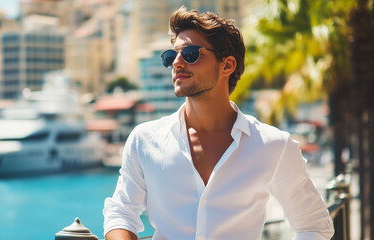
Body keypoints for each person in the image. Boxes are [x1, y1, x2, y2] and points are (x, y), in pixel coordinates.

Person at [103, 7, 334, 240]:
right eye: (172, 56)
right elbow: (121, 212)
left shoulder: (274, 145)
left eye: (191, 53)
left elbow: (314, 226)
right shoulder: (144, 140)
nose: (177, 63)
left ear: (227, 65)